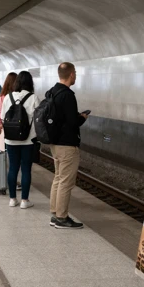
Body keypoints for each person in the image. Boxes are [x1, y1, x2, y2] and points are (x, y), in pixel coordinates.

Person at [47, 62, 89, 229]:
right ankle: (62, 218)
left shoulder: (52, 91)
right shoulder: (67, 95)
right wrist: (82, 118)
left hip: (55, 143)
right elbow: (72, 122)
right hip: (67, 145)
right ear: (71, 74)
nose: (75, 76)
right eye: (75, 73)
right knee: (65, 182)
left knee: (58, 178)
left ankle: (55, 214)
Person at [1, 71, 40, 208]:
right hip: (28, 140)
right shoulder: (33, 98)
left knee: (13, 168)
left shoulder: (8, 97)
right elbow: (38, 119)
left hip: (11, 139)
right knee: (26, 169)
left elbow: (2, 117)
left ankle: (12, 199)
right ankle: (24, 201)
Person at [0, 72, 17, 138]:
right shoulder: (20, 96)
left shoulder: (2, 97)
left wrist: (0, 123)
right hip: (18, 125)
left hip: (5, 127)